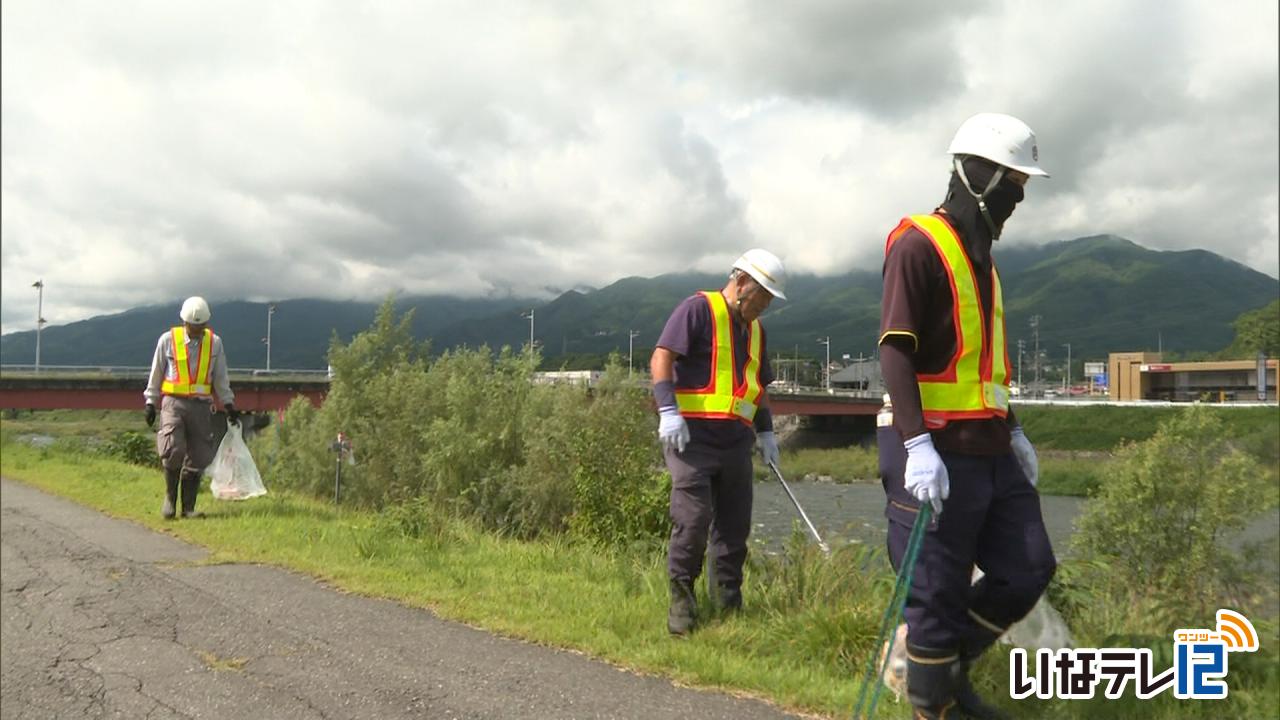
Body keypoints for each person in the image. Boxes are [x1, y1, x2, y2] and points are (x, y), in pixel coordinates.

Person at [877, 113, 1057, 719]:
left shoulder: (986, 265)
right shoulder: (917, 245)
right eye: (1013, 180)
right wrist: (916, 446)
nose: (1020, 195)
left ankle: (944, 667)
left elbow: (987, 368)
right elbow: (894, 350)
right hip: (933, 449)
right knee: (935, 593)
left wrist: (1017, 428)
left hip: (991, 447)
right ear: (975, 174)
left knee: (1028, 567)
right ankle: (935, 698)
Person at [650, 249, 787, 636]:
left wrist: (766, 432)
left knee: (734, 528)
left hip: (735, 444)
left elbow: (756, 388)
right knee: (692, 521)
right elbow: (662, 357)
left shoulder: (757, 332)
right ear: (741, 282)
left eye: (769, 302)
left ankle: (728, 603)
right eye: (761, 297)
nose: (763, 308)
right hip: (691, 440)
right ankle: (682, 600)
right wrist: (667, 410)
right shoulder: (697, 310)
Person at [144, 296, 238, 519]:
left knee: (199, 455)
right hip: (173, 404)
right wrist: (150, 401)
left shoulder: (215, 343)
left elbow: (221, 377)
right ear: (184, 321)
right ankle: (170, 500)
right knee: (173, 448)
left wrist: (229, 404)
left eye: (201, 326)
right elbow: (156, 372)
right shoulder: (167, 340)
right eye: (193, 326)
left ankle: (188, 508)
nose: (196, 330)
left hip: (201, 406)